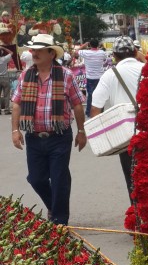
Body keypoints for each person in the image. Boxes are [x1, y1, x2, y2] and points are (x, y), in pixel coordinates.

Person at [11, 33, 86, 225]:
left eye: (39, 50)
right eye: (33, 50)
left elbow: (77, 104)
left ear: (51, 54)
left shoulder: (66, 75)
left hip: (60, 136)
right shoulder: (25, 75)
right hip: (34, 137)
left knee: (59, 178)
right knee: (36, 179)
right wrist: (15, 130)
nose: (34, 53)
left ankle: (60, 221)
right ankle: (54, 206)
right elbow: (17, 104)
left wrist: (81, 132)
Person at [89, 35, 144, 198]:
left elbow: (95, 108)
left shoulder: (109, 75)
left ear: (114, 55)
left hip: (125, 137)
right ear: (135, 52)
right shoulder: (145, 69)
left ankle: (137, 217)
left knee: (132, 180)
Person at [78, 38, 107, 117]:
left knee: (90, 95)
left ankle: (89, 112)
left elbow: (74, 52)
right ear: (98, 45)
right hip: (100, 77)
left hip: (90, 77)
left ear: (90, 45)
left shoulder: (86, 52)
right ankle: (100, 111)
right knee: (101, 94)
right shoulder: (102, 53)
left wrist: (84, 45)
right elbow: (105, 58)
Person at [0, 45, 12, 113]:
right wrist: (3, 47)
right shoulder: (4, 59)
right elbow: (11, 52)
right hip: (5, 77)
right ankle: (7, 109)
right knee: (6, 94)